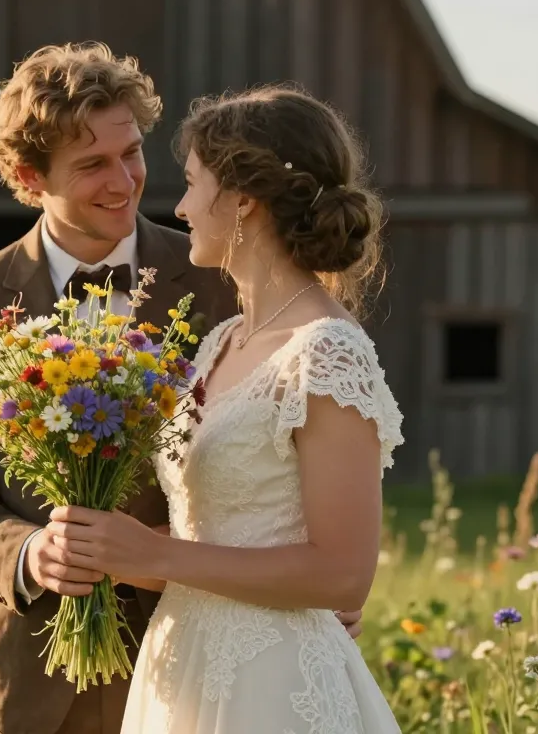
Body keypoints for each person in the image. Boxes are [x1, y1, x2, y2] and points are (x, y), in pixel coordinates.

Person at [0, 42, 365, 734]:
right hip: (35, 679)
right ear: (31, 178)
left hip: (206, 664)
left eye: (132, 153)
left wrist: (307, 584)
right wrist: (32, 555)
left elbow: (304, 433)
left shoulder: (226, 275)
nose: (124, 180)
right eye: (92, 165)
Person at [46, 85, 405, 732]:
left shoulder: (325, 353)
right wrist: (111, 548)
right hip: (182, 662)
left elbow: (344, 572)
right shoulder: (220, 343)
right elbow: (224, 533)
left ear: (243, 202)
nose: (179, 207)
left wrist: (157, 558)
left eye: (191, 184)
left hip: (274, 685)